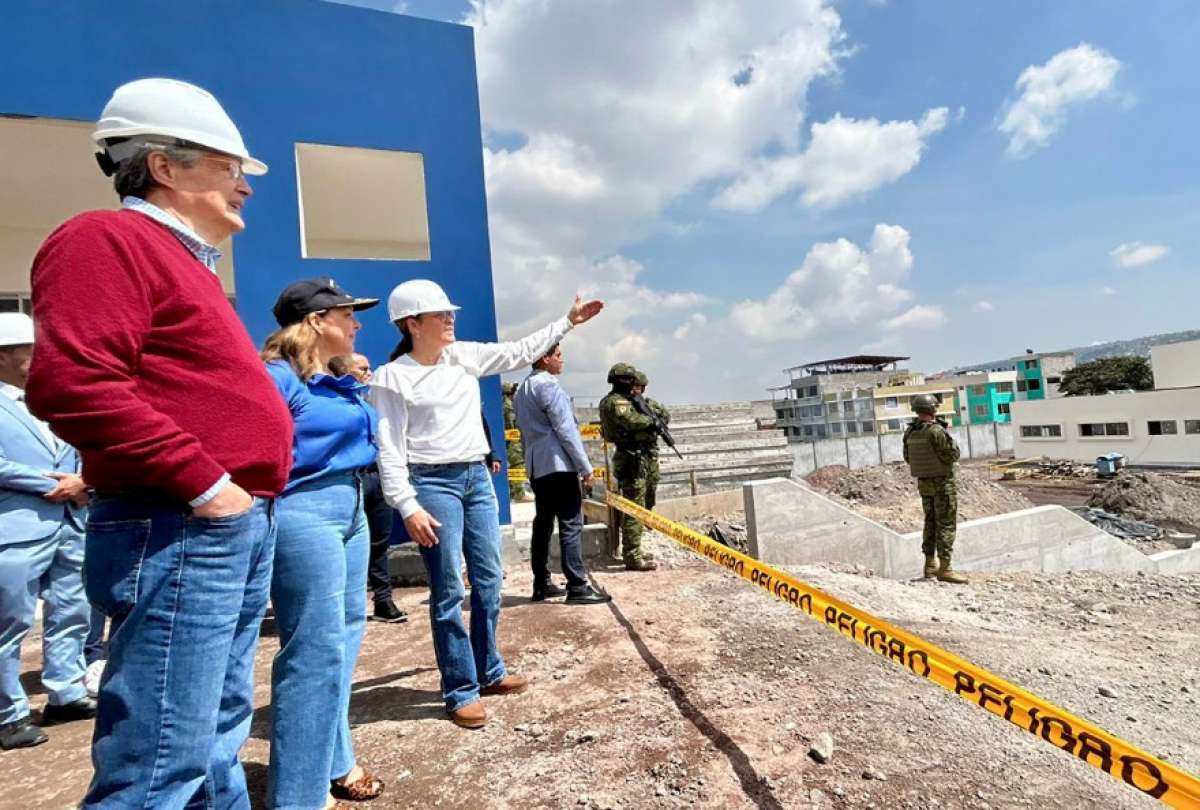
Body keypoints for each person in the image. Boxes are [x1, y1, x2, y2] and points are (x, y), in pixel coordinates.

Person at [25, 79, 293, 807]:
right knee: (159, 767)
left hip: (219, 524)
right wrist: (209, 485)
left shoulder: (187, 264)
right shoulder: (104, 239)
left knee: (212, 745)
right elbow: (73, 384)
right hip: (181, 523)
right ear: (165, 166)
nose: (245, 186)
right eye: (229, 166)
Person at [369, 279, 603, 730]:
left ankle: (488, 669)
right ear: (413, 324)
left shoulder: (463, 357)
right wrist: (408, 505)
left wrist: (567, 323)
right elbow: (390, 448)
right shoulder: (392, 377)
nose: (450, 319)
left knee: (490, 578)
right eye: (441, 314)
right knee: (448, 588)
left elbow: (519, 351)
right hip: (433, 482)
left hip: (476, 478)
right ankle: (459, 688)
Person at [263, 278, 385, 809]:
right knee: (312, 651)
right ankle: (298, 796)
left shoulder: (329, 380)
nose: (356, 323)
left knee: (341, 641)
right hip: (304, 509)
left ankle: (335, 761)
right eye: (347, 313)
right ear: (315, 321)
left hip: (351, 506)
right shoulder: (277, 378)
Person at [0, 313, 93, 750]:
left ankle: (67, 692)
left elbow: (82, 452)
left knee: (72, 611)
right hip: (17, 528)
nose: (41, 359)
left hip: (70, 524)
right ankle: (8, 714)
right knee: (10, 621)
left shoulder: (54, 402)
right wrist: (53, 483)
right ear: (3, 357)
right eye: (30, 352)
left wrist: (83, 482)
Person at [514, 343, 610, 604]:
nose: (562, 360)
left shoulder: (521, 390)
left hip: (537, 465)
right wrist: (585, 467)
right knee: (570, 522)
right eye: (557, 355)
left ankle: (542, 582)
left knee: (543, 523)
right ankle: (577, 585)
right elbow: (566, 429)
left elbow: (524, 433)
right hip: (558, 463)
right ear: (544, 359)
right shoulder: (548, 386)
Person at [328, 353, 408, 624]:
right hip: (352, 479)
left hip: (378, 477)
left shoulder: (376, 401)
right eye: (363, 369)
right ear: (346, 373)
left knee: (380, 543)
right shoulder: (334, 404)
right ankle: (343, 606)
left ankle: (383, 601)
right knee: (347, 543)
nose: (369, 373)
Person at [599, 364, 661, 571]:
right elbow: (632, 421)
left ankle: (635, 549)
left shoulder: (627, 401)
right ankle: (632, 556)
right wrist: (652, 421)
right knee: (634, 507)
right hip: (630, 458)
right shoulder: (616, 402)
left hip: (640, 457)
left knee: (644, 502)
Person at [902, 394, 968, 584]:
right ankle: (945, 569)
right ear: (933, 409)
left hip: (924, 485)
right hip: (942, 485)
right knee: (946, 524)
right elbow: (952, 455)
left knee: (930, 523)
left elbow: (908, 458)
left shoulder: (910, 432)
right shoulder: (936, 431)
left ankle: (930, 565)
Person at [502, 382, 526, 502]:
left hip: (509, 441)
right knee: (517, 464)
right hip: (513, 442)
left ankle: (515, 493)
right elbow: (512, 427)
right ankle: (518, 494)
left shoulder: (504, 404)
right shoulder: (508, 406)